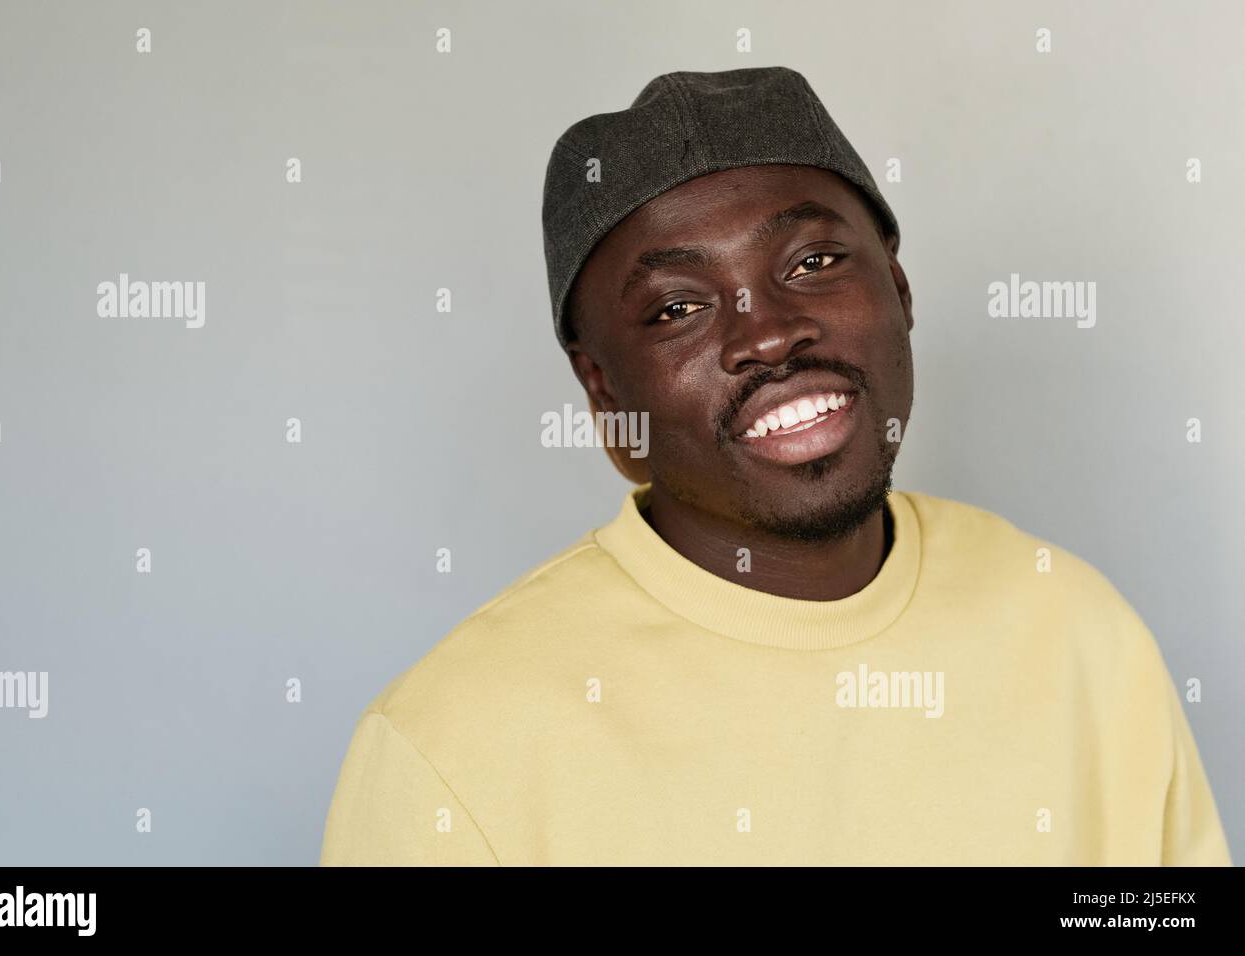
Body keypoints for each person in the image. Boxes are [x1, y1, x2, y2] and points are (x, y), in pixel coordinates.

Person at [320, 66, 1232, 866]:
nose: (765, 333)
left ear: (900, 290)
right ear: (606, 398)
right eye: (676, 309)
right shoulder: (449, 752)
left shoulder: (1080, 633)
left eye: (815, 260)